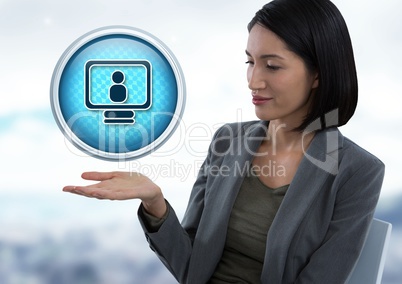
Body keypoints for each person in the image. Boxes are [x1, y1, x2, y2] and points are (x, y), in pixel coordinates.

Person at [63, 0, 385, 283]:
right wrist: (155, 203)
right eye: (250, 62)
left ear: (318, 74)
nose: (253, 80)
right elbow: (190, 268)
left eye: (272, 66)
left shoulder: (358, 172)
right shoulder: (227, 140)